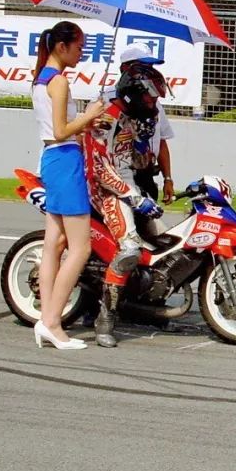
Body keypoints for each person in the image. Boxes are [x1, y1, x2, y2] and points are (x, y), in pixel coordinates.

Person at [31, 21, 104, 350]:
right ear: (62, 47)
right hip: (64, 159)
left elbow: (57, 129)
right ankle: (52, 322)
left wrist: (87, 123)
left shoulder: (42, 78)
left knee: (55, 243)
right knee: (80, 247)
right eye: (79, 47)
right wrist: (89, 115)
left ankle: (46, 319)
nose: (81, 53)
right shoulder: (58, 81)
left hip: (53, 158)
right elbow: (61, 131)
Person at [83, 60, 166, 347]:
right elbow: (99, 169)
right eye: (150, 98)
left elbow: (136, 163)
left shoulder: (131, 118)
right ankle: (105, 319)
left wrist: (144, 143)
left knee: (162, 244)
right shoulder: (104, 119)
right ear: (134, 93)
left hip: (129, 186)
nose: (154, 104)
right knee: (130, 249)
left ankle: (145, 303)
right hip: (103, 191)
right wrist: (134, 198)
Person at [120, 45, 177, 205]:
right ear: (126, 68)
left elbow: (161, 141)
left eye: (151, 66)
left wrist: (167, 178)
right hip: (120, 179)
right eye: (143, 66)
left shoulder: (155, 104)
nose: (149, 71)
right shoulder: (109, 101)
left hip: (146, 177)